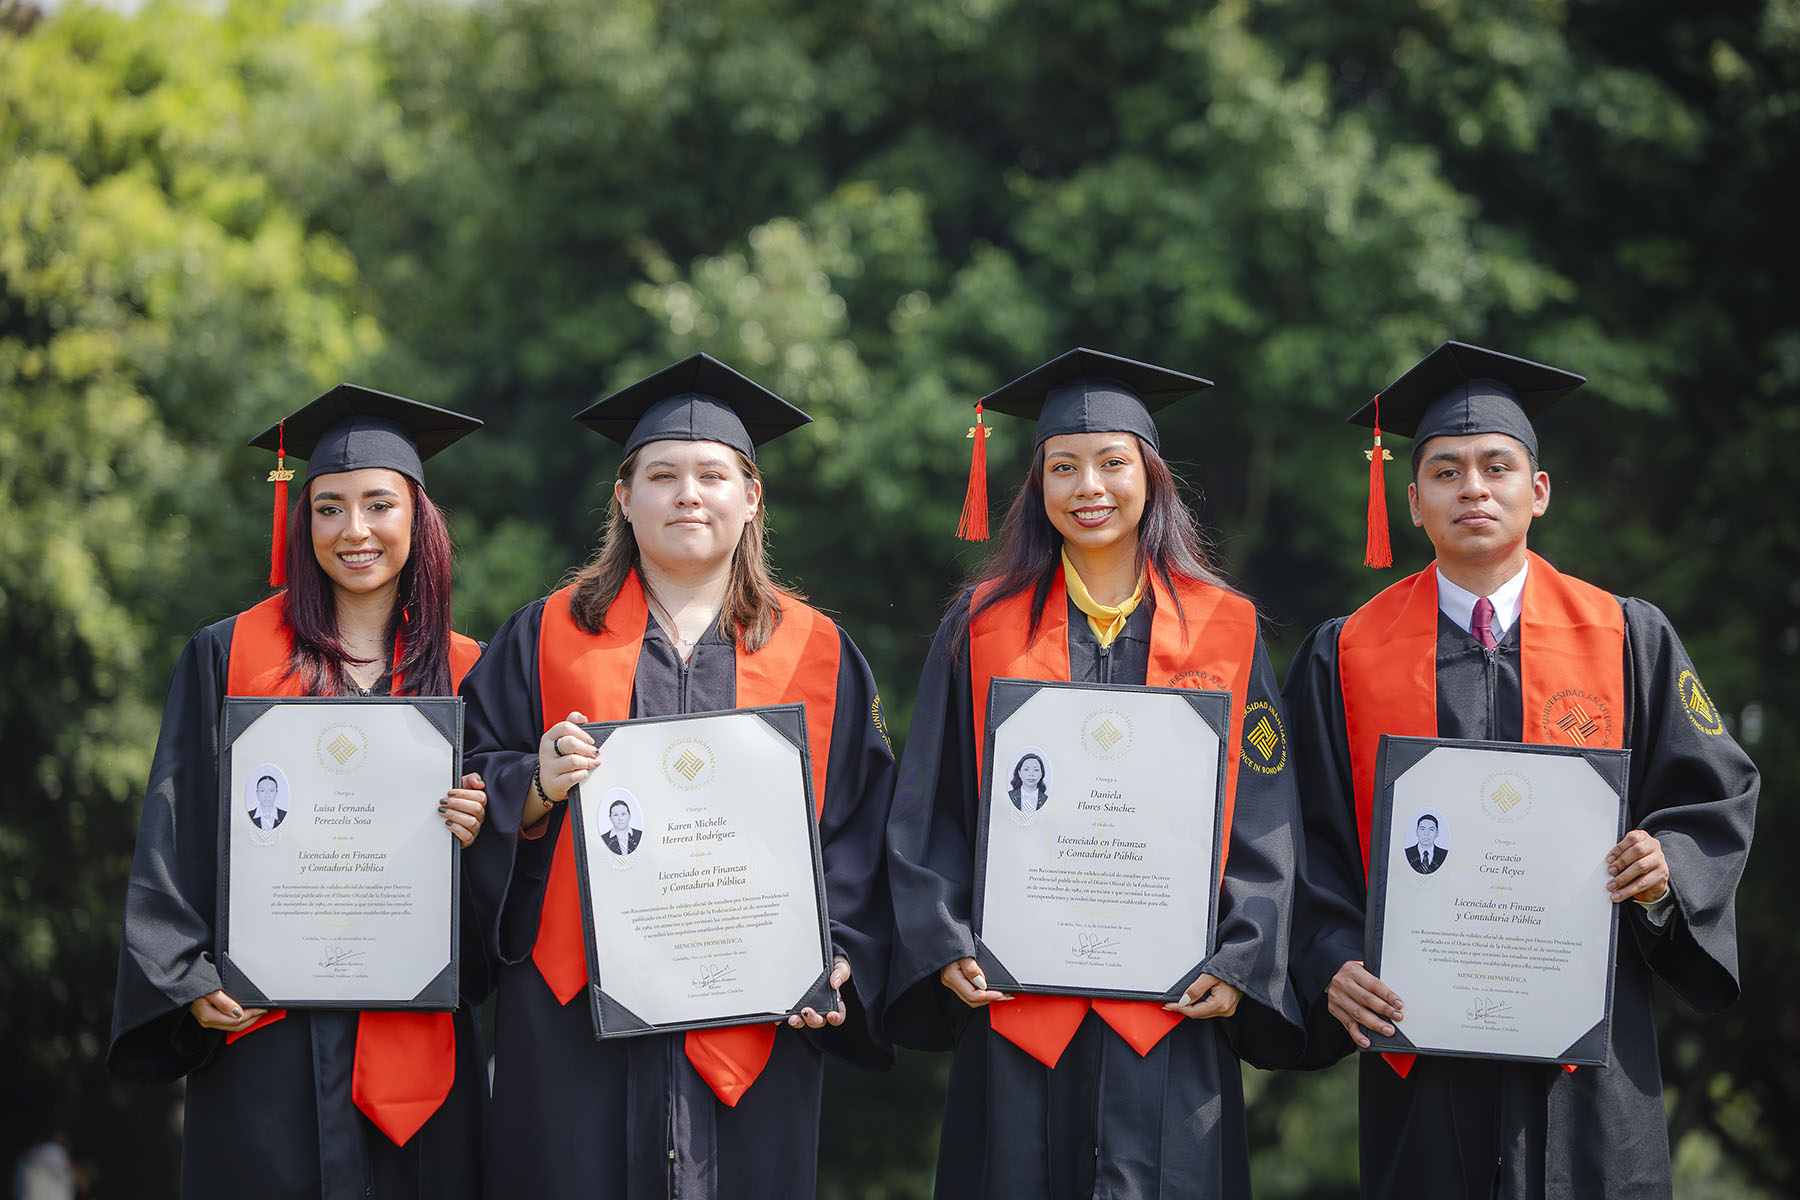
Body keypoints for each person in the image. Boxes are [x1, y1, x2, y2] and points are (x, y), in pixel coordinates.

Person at [1284, 341, 1759, 1199]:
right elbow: (1299, 842)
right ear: (1414, 501)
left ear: (1538, 492)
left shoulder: (1625, 639)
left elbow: (1715, 796)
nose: (1474, 488)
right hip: (1419, 1060)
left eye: (1497, 467)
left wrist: (1663, 870)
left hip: (1592, 1070)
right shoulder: (1346, 656)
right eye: (1447, 471)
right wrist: (1328, 961)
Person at [459, 353, 896, 1198]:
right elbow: (468, 776)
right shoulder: (548, 635)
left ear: (752, 496)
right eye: (661, 475)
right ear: (624, 497)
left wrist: (838, 956)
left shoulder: (819, 652)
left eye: (712, 475)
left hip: (755, 1014)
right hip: (573, 1015)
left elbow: (864, 827)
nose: (687, 494)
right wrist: (536, 783)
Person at [886, 348, 1303, 1197]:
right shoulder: (980, 627)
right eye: (1063, 466)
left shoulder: (1225, 628)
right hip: (1017, 1016)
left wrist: (1242, 958)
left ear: (1151, 477)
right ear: (1036, 485)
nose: (1090, 486)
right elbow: (927, 806)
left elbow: (1265, 813)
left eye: (1114, 463)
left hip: (1168, 1017)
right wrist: (944, 945)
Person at [108, 386, 493, 1199]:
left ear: (418, 521)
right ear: (302, 520)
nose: (353, 531)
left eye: (379, 505)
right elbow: (174, 826)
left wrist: (482, 829)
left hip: (416, 1048)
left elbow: (510, 893)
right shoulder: (229, 654)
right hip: (266, 1042)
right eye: (328, 508)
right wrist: (185, 978)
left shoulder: (472, 673)